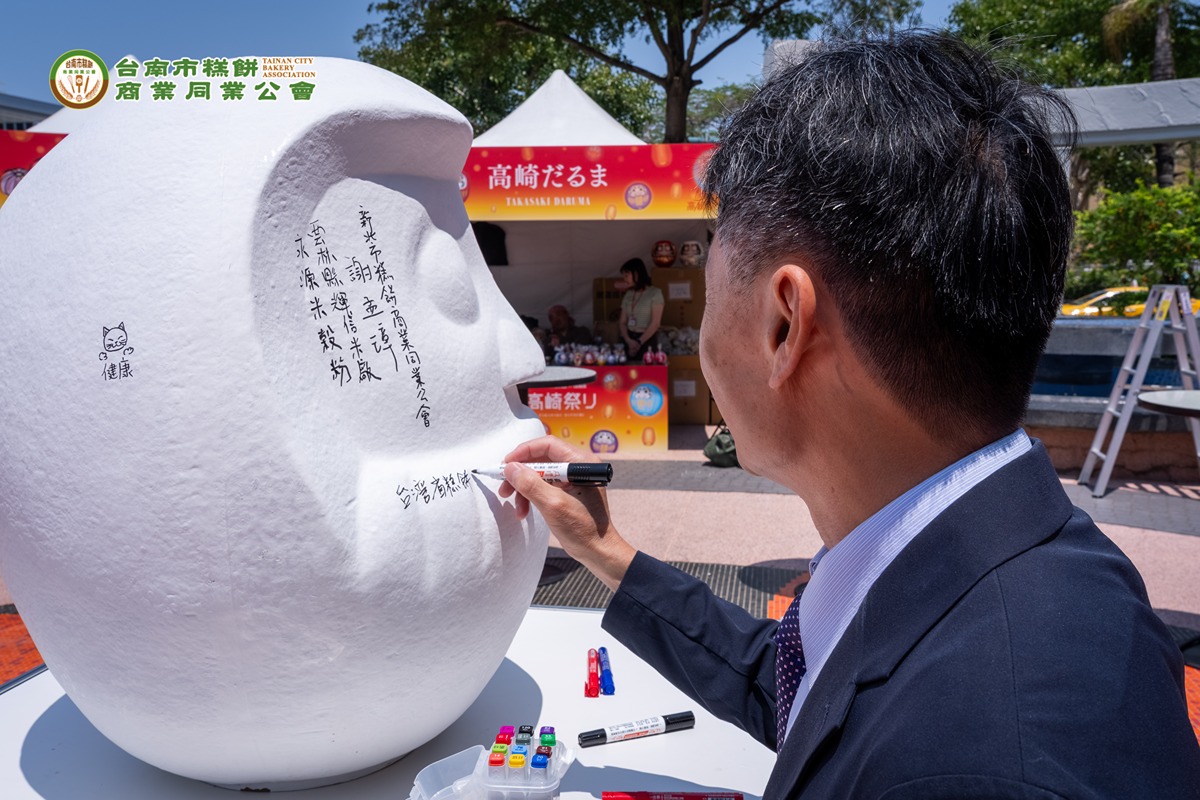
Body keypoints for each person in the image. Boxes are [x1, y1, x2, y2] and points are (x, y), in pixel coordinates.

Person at [498, 32, 1200, 799]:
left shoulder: (973, 769)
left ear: (784, 325)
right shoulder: (1015, 574)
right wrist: (605, 550)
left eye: (709, 284)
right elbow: (809, 697)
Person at [617, 257, 664, 360]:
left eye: (626, 275)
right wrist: (628, 340)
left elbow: (655, 323)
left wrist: (639, 342)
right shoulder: (628, 294)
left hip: (647, 339)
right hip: (629, 339)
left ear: (636, 274)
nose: (624, 279)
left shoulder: (655, 293)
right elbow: (622, 322)